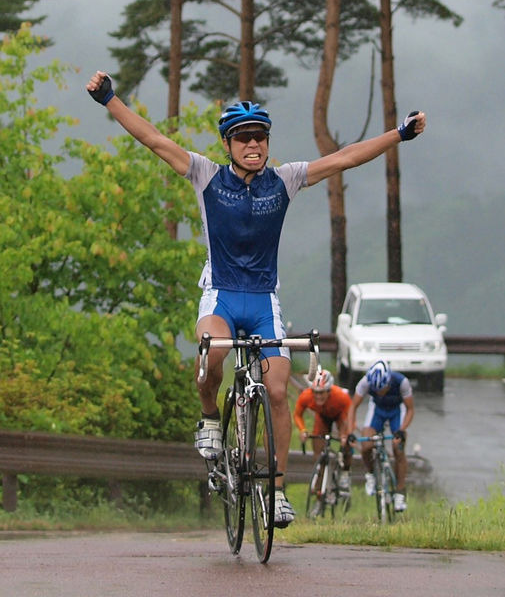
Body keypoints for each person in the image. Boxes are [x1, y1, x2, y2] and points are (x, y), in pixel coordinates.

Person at [86, 70, 426, 527]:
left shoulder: (285, 180)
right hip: (222, 295)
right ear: (227, 145)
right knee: (211, 359)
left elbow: (344, 158)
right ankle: (209, 419)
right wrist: (110, 98)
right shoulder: (205, 175)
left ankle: (278, 489)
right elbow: (153, 139)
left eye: (260, 138)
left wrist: (399, 134)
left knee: (281, 390)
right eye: (243, 138)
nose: (253, 146)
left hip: (264, 300)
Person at [347, 360, 414, 512]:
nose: (379, 393)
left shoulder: (401, 381)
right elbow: (353, 407)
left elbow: (410, 409)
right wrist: (350, 432)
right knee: (366, 445)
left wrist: (402, 430)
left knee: (398, 448)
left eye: (382, 389)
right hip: (377, 410)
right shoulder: (365, 382)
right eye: (375, 390)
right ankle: (370, 473)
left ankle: (400, 492)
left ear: (388, 381)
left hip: (397, 411)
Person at [294, 369, 353, 490]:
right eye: (315, 392)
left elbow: (351, 418)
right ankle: (319, 487)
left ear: (329, 390)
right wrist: (303, 430)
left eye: (321, 393)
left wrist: (346, 435)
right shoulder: (306, 396)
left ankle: (345, 472)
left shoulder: (341, 396)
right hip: (322, 417)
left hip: (341, 416)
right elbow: (297, 415)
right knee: (318, 452)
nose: (318, 396)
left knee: (346, 442)